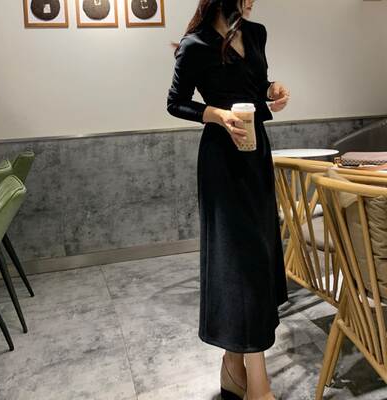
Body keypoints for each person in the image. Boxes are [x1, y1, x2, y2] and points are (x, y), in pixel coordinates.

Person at [167, 1, 290, 399]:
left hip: (256, 153)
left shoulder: (256, 33)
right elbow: (175, 102)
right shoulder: (195, 44)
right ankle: (258, 384)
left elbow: (258, 84)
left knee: (257, 256)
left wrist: (272, 91)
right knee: (240, 263)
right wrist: (218, 115)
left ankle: (233, 367)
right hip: (221, 161)